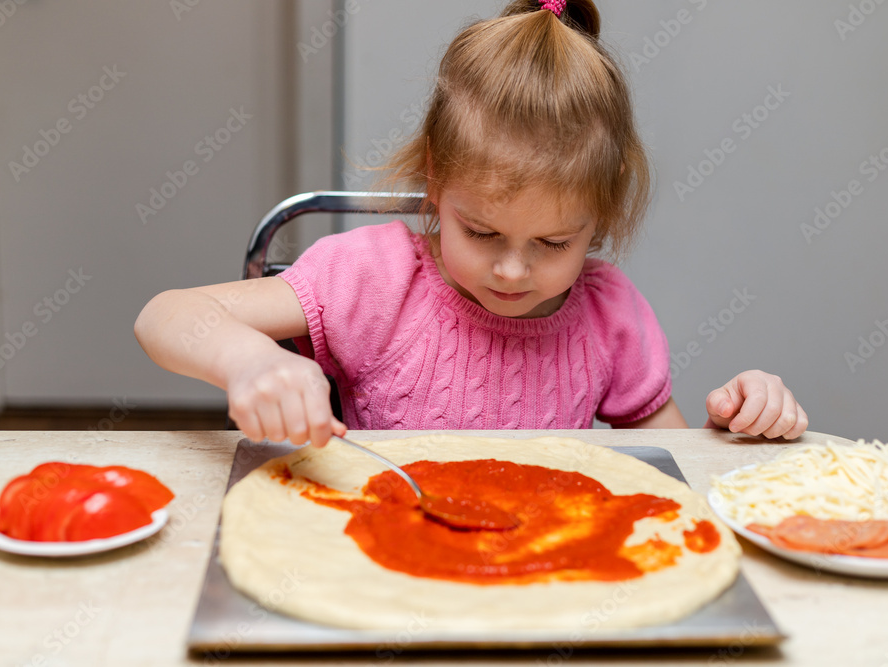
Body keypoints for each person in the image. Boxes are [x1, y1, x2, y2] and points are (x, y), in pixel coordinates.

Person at [134, 0, 807, 447]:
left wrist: (742, 419)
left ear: (598, 216)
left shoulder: (611, 318)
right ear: (435, 179)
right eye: (481, 232)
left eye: (552, 243)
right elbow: (164, 316)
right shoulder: (376, 279)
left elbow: (674, 476)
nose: (513, 269)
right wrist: (248, 359)